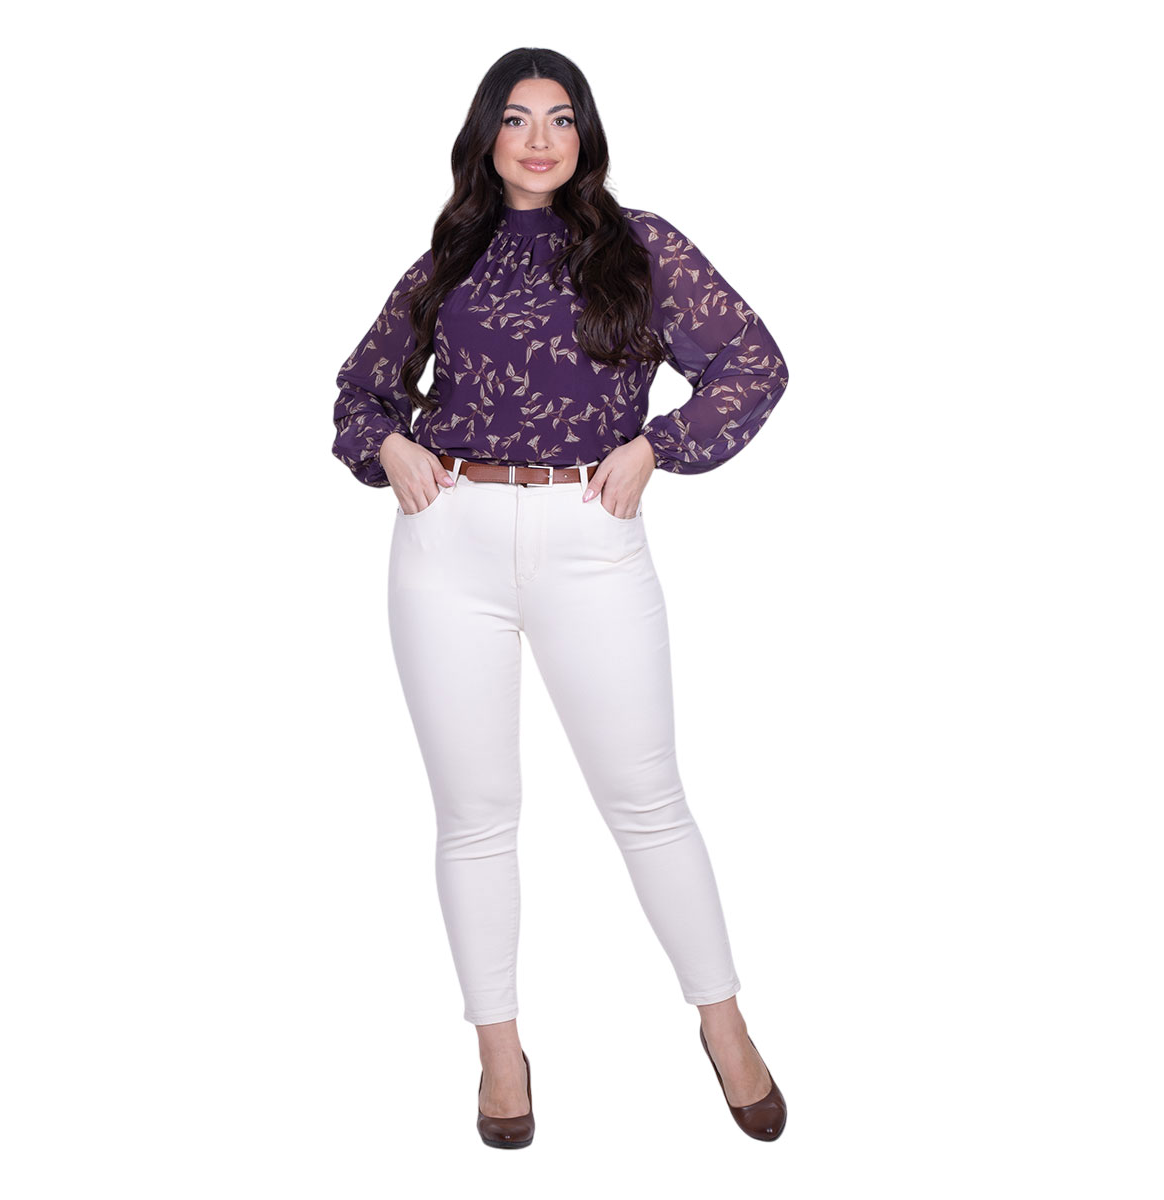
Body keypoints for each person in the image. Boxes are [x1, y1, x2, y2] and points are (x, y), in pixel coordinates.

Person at [331, 47, 790, 1147]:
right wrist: (388, 445)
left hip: (591, 537)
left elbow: (754, 364)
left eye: (561, 118)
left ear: (585, 134)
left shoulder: (642, 246)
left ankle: (723, 1023)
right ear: (486, 135)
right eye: (517, 118)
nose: (539, 139)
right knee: (474, 813)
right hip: (448, 542)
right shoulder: (450, 255)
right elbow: (358, 392)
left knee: (647, 800)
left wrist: (660, 445)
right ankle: (500, 1052)